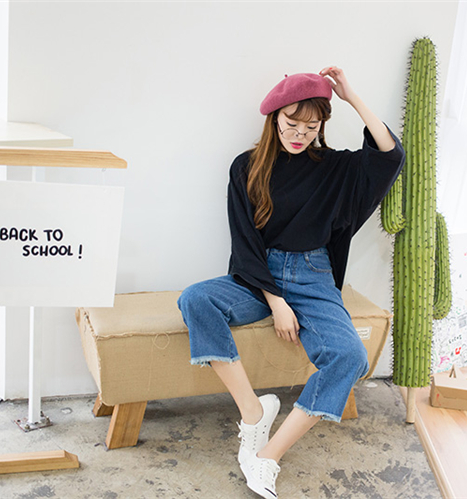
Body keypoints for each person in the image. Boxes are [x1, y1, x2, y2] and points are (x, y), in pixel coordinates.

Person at [178, 67, 405, 498]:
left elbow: (390, 155)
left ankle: (267, 457)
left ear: (321, 126)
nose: (300, 134)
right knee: (195, 299)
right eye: (291, 124)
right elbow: (245, 241)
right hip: (257, 277)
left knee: (349, 357)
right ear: (274, 118)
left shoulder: (333, 167)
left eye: (311, 127)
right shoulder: (246, 167)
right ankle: (253, 414)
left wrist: (351, 96)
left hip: (313, 275)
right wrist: (276, 300)